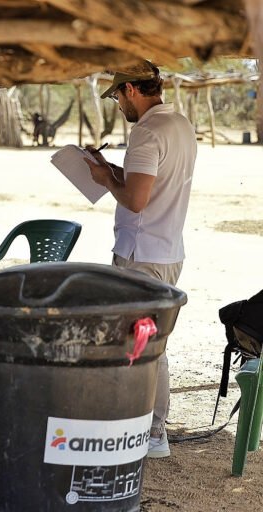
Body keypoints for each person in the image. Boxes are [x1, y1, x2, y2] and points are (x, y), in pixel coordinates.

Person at [85, 61, 197, 459]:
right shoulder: (180, 125)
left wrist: (106, 180)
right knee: (150, 342)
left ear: (131, 89)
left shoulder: (147, 132)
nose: (118, 105)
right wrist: (113, 171)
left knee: (144, 346)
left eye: (117, 96)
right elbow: (152, 182)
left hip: (142, 254)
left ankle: (151, 432)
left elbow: (136, 200)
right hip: (166, 249)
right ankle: (146, 427)